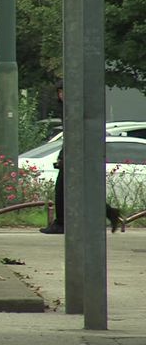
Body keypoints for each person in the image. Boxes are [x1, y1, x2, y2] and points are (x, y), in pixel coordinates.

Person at [40, 80, 121, 234]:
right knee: (83, 190)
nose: (62, 95)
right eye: (59, 92)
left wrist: (65, 156)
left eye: (64, 91)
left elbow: (75, 135)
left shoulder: (74, 110)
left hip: (78, 154)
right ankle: (109, 212)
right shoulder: (66, 109)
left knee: (62, 190)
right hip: (75, 153)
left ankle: (61, 223)